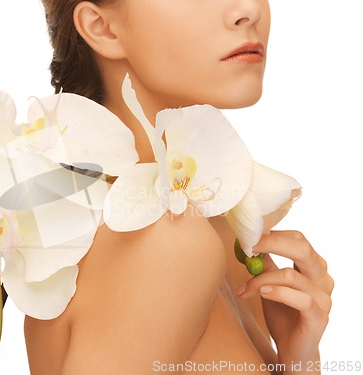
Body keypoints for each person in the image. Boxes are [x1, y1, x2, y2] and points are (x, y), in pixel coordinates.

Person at [24, 1, 334, 374]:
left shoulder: (216, 228)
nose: (249, 10)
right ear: (101, 27)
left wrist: (299, 364)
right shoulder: (165, 243)